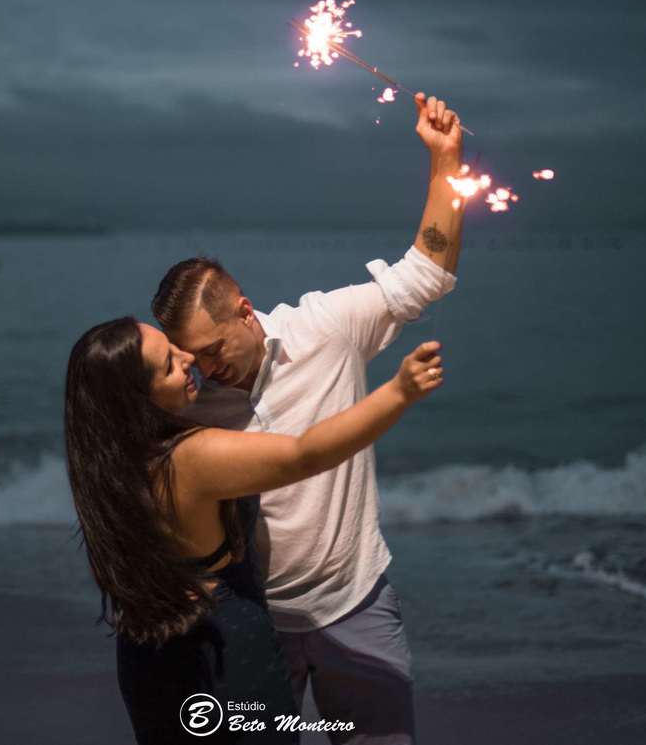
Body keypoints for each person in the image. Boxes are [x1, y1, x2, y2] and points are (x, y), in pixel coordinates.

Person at [150, 93, 466, 744]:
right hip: (249, 620)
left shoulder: (326, 327)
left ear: (244, 309)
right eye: (191, 358)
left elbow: (427, 273)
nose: (205, 370)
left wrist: (444, 160)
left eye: (213, 352)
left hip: (355, 601)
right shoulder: (183, 389)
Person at [63, 315, 444, 744]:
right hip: (225, 657)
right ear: (140, 398)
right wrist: (398, 392)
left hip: (149, 659)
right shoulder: (191, 460)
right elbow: (304, 455)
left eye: (173, 346)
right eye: (170, 364)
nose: (189, 358)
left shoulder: (105, 466)